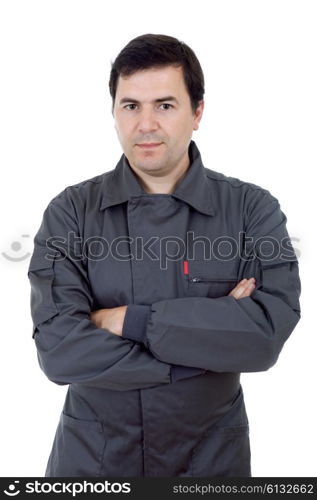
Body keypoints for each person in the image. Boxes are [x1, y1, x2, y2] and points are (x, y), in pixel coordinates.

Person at [27, 33, 301, 477]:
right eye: (131, 105)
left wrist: (128, 321)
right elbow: (60, 351)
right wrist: (206, 346)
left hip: (211, 463)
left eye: (165, 105)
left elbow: (265, 337)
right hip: (95, 462)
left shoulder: (252, 209)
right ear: (114, 113)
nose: (146, 124)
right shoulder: (71, 211)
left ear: (197, 113)